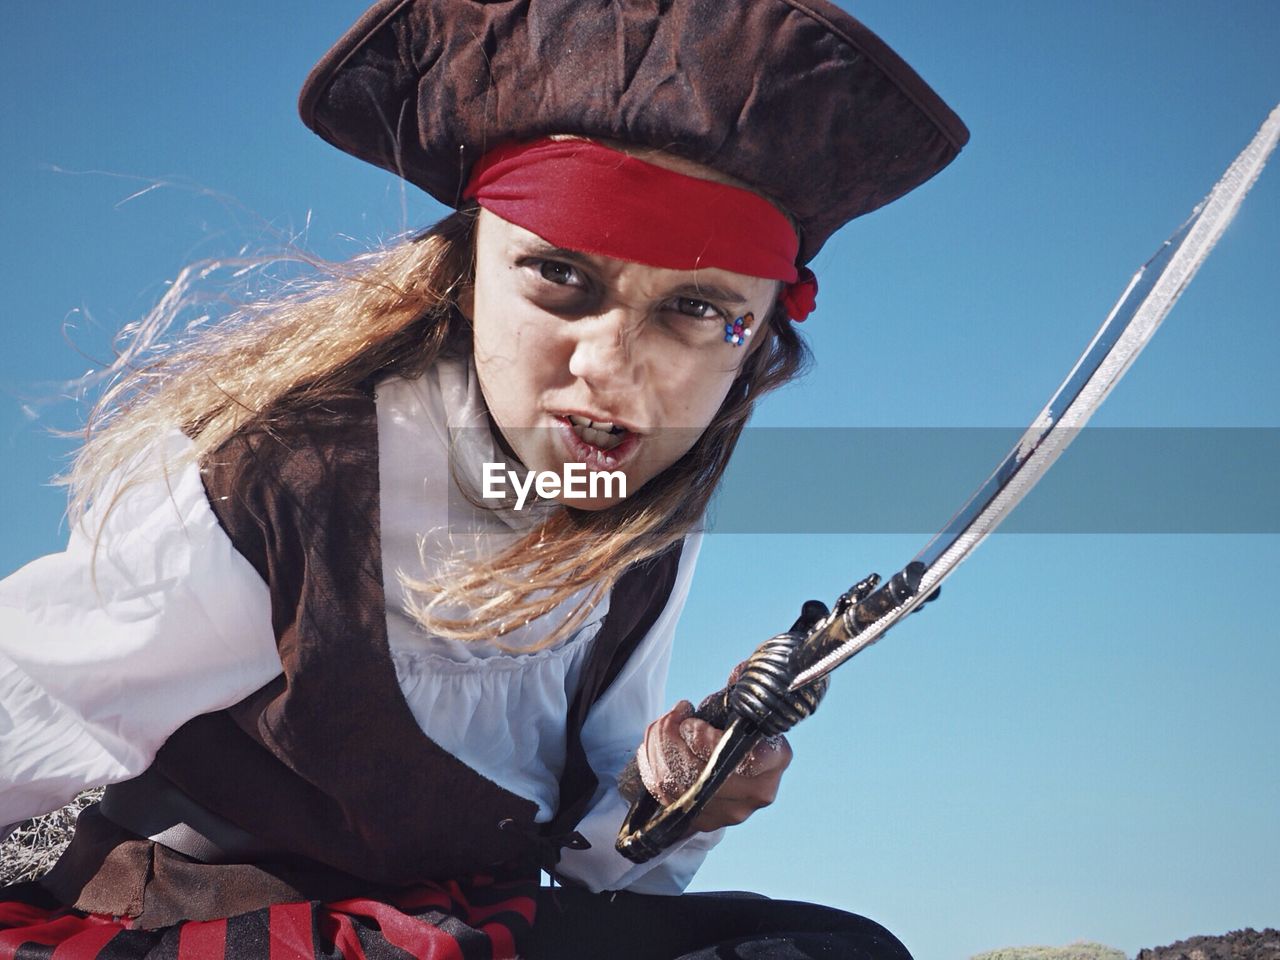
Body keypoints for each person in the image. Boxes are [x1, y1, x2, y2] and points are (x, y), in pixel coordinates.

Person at [0, 0, 968, 956]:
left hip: (476, 922)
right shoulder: (275, 476)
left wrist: (677, 791)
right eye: (560, 278)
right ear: (465, 276)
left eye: (696, 309)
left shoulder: (645, 521)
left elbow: (596, 858)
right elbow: (27, 705)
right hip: (219, 927)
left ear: (755, 342)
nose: (609, 367)